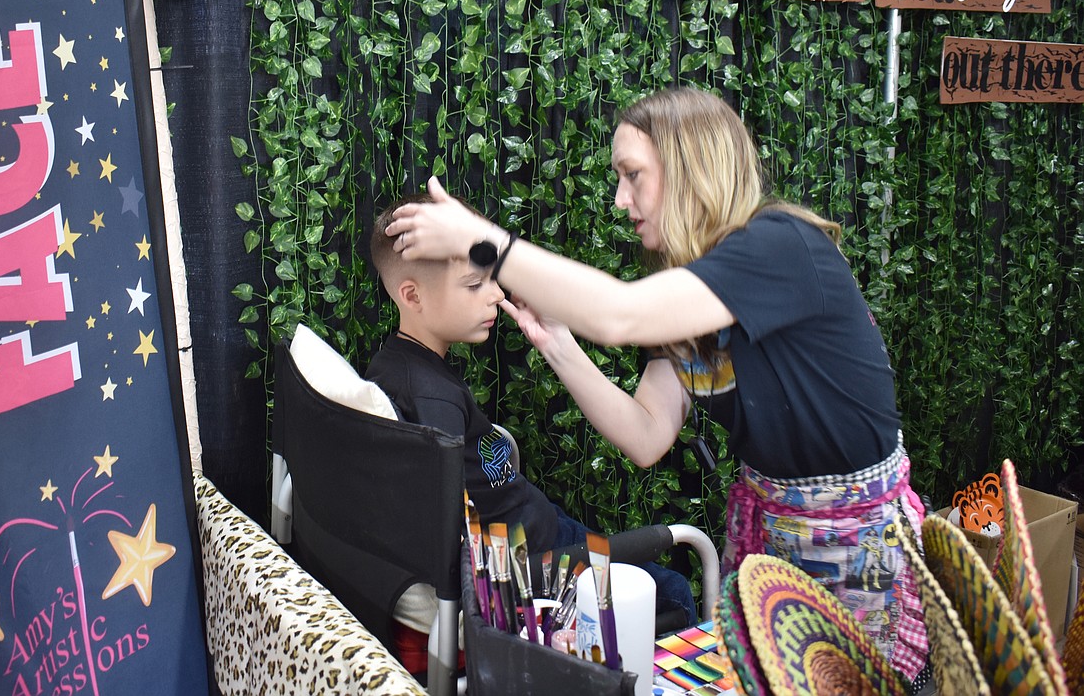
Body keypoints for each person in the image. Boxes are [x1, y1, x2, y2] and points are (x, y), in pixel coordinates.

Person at [384, 86, 930, 689]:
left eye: (633, 176)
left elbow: (620, 316)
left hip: (853, 547)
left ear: (690, 166)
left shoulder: (779, 248)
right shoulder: (689, 284)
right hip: (774, 536)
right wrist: (560, 347)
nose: (621, 199)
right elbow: (647, 434)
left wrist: (480, 241)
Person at [367, 195, 699, 646]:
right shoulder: (431, 399)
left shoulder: (401, 367)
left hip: (538, 527)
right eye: (474, 285)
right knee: (674, 591)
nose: (498, 294)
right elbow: (453, 542)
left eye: (494, 279)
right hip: (535, 566)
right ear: (412, 295)